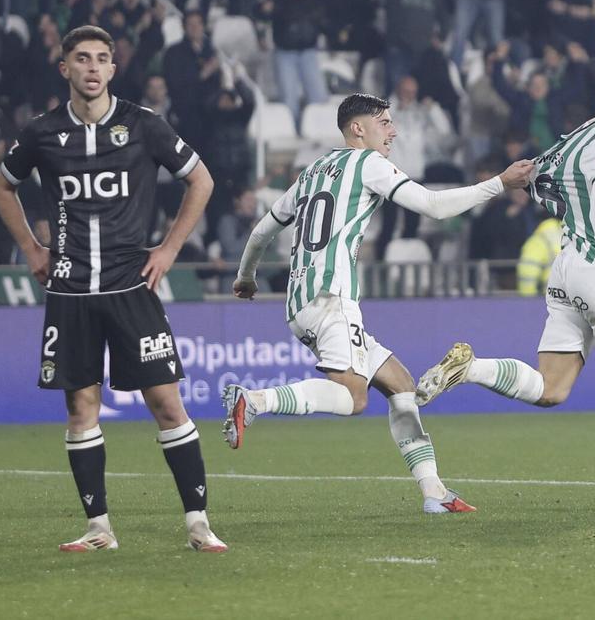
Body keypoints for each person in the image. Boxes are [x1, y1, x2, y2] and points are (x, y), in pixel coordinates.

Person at [223, 93, 534, 513]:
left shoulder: (312, 170)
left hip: (301, 301)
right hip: (332, 299)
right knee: (353, 399)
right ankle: (256, 401)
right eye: (384, 122)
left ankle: (434, 493)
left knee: (400, 384)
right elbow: (433, 207)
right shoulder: (367, 164)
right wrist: (499, 183)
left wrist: (246, 277)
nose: (393, 131)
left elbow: (261, 232)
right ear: (358, 129)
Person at [415, 56, 595, 513]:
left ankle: (472, 369)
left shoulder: (577, 137)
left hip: (567, 270)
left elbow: (544, 182)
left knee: (551, 388)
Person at [0, 25, 225, 553]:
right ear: (65, 69)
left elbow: (201, 180)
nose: (92, 68)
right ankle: (99, 529)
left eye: (101, 59)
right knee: (81, 409)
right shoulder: (42, 132)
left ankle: (198, 523)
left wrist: (167, 249)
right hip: (70, 290)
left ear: (113, 69)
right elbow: (3, 185)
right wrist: (32, 249)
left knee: (166, 403)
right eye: (82, 59)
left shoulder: (143, 126)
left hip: (130, 287)